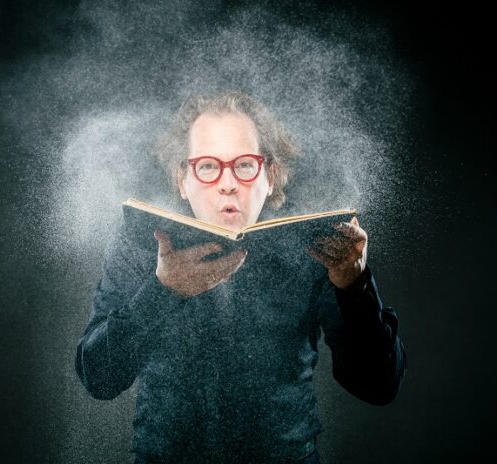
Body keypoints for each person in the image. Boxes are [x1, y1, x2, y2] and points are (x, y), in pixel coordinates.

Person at [75, 92, 407, 464]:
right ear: (182, 180)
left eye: (245, 165)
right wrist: (162, 290)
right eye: (207, 167)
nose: (227, 183)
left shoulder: (318, 247)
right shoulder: (141, 244)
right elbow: (98, 378)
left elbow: (379, 386)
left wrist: (354, 284)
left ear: (271, 176)